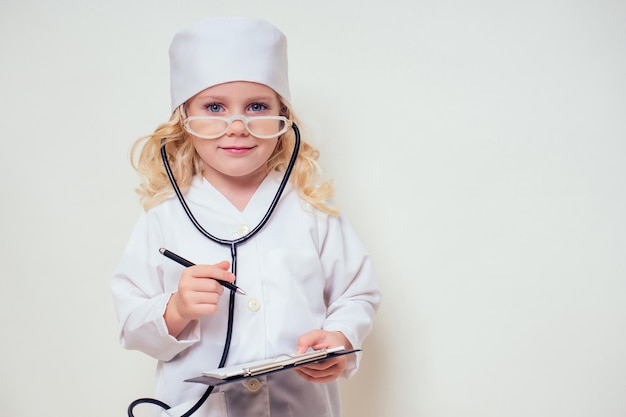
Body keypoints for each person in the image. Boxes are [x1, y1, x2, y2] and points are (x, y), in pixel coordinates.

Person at [111, 16, 381, 417]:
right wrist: (178, 308)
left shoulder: (309, 207)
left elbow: (356, 293)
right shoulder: (164, 216)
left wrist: (339, 337)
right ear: (184, 118)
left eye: (257, 106)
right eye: (214, 107)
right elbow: (133, 322)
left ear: (282, 117)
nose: (237, 126)